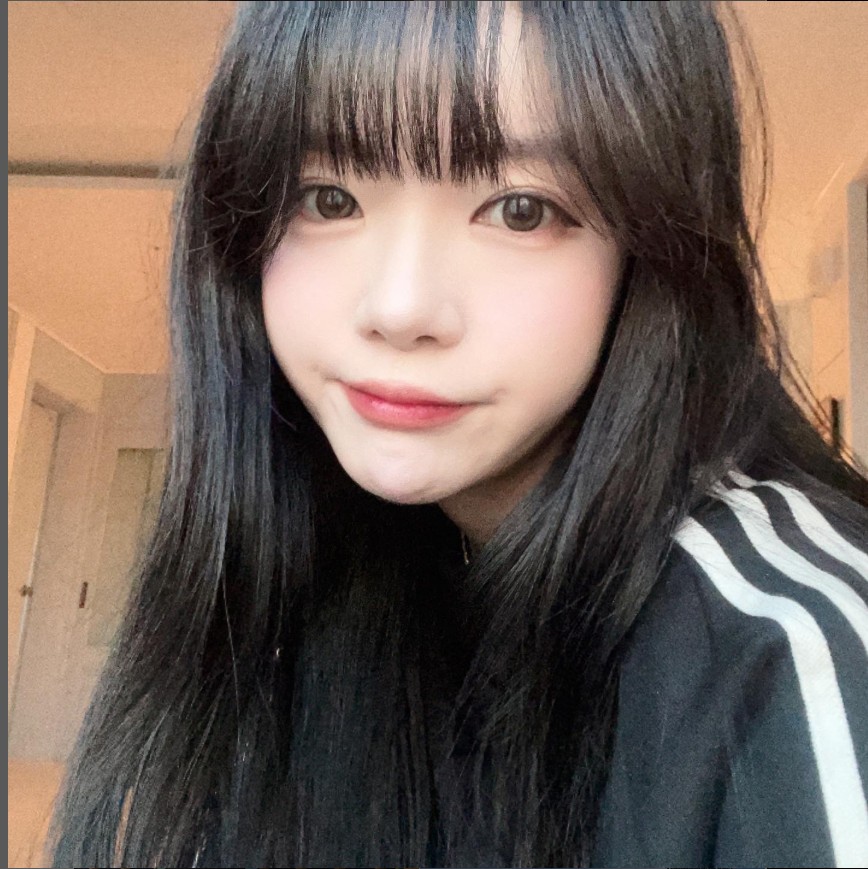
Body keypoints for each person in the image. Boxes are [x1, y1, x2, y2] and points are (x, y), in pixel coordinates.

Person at [49, 2, 868, 867]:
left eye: (521, 210)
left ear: (650, 250)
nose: (400, 307)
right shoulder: (338, 564)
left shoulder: (786, 652)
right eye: (327, 198)